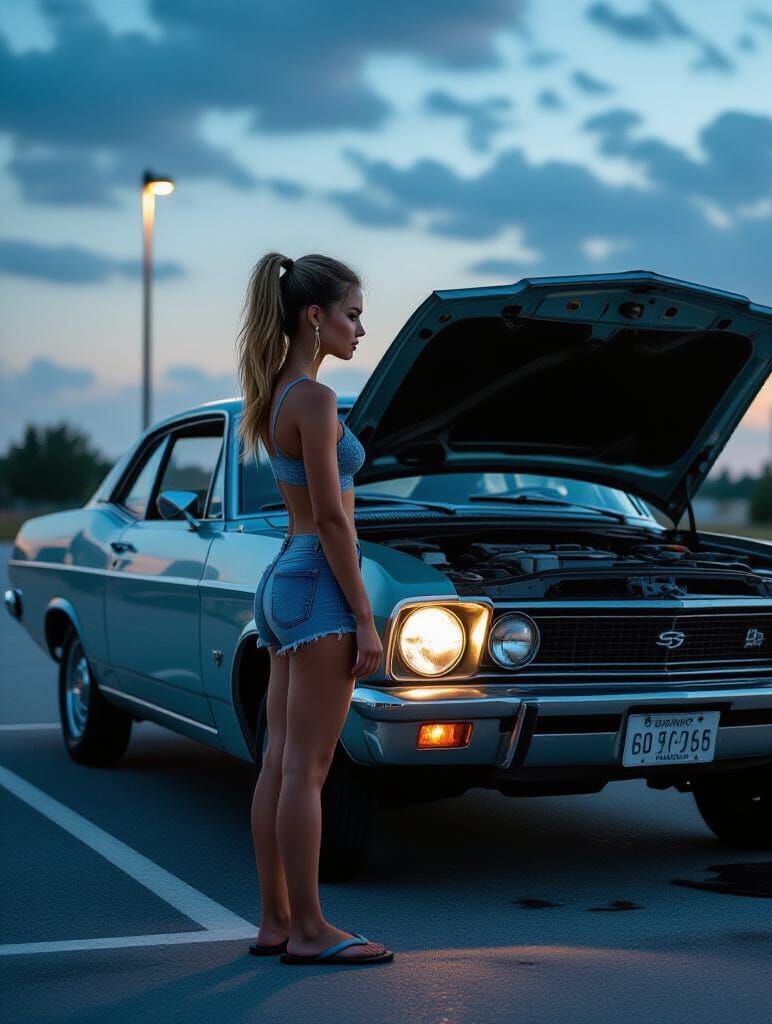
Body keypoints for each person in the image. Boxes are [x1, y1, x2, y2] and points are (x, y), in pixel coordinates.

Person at [235, 252, 393, 966]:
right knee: (309, 767)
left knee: (278, 763)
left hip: (280, 581)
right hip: (320, 584)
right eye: (353, 314)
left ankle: (274, 921)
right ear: (315, 316)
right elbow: (334, 518)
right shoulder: (318, 402)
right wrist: (365, 616)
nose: (361, 329)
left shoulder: (275, 395)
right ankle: (310, 930)